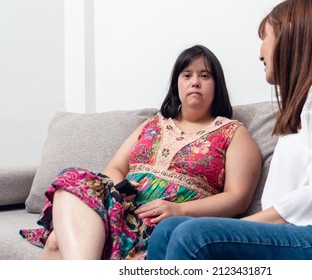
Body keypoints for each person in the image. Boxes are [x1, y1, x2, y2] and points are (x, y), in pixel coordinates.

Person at [147, 0, 312, 260]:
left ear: (289, 35)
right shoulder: (301, 106)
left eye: (264, 37)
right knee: (168, 229)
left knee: (193, 236)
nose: (260, 53)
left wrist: (243, 226)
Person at [19, 45, 261, 260]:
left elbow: (238, 198)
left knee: (55, 243)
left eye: (204, 76)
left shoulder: (233, 132)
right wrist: (122, 189)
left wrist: (178, 209)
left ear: (217, 85)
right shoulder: (153, 124)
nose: (195, 82)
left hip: (163, 224)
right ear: (177, 84)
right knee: (69, 180)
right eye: (187, 75)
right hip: (121, 211)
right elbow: (114, 168)